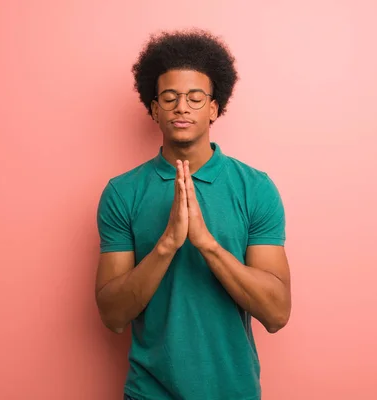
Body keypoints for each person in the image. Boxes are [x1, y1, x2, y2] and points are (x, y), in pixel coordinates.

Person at [95, 29, 291, 400]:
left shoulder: (256, 188)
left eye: (195, 98)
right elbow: (112, 316)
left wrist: (207, 245)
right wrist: (167, 244)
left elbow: (277, 313)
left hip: (234, 391)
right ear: (154, 109)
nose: (181, 107)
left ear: (214, 108)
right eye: (169, 98)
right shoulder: (122, 193)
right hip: (149, 392)